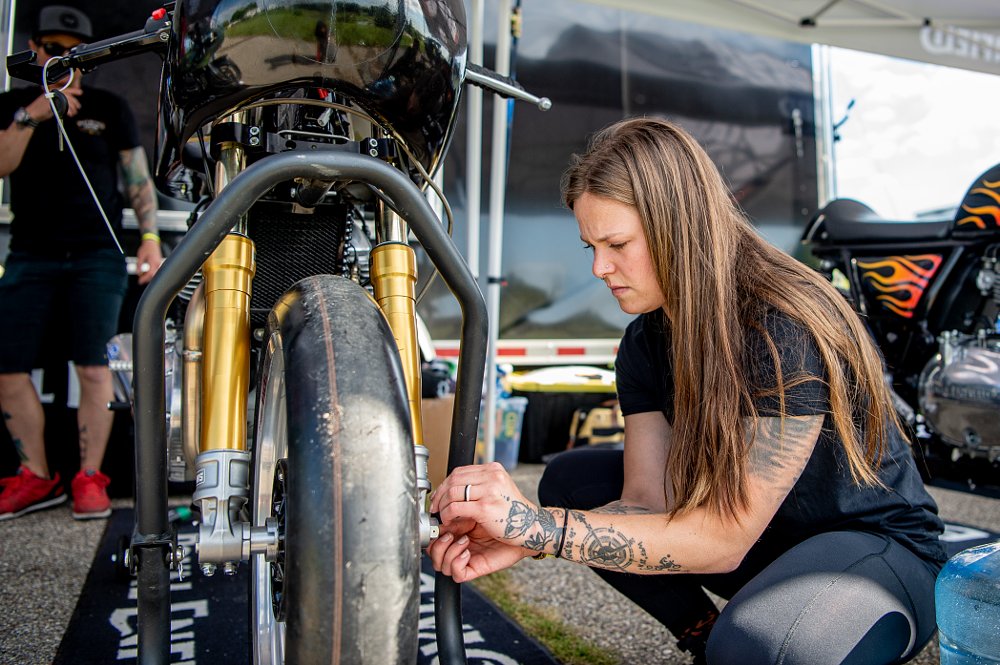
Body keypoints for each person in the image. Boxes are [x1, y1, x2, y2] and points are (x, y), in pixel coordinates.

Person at [428, 117, 947, 664]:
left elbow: (723, 539)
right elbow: (645, 502)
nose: (601, 267)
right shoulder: (645, 341)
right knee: (571, 481)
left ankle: (746, 641)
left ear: (680, 226)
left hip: (876, 552)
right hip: (768, 543)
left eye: (618, 243)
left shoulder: (782, 325)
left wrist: (535, 527)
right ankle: (705, 636)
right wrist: (533, 533)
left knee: (763, 647)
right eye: (591, 247)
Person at [0, 5, 162, 520]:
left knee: (94, 367)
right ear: (36, 51)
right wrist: (34, 113)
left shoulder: (109, 108)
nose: (59, 58)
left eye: (71, 53)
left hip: (96, 254)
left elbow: (137, 181)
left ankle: (89, 476)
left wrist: (151, 237)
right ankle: (38, 476)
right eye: (50, 48)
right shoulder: (12, 104)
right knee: (7, 367)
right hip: (31, 253)